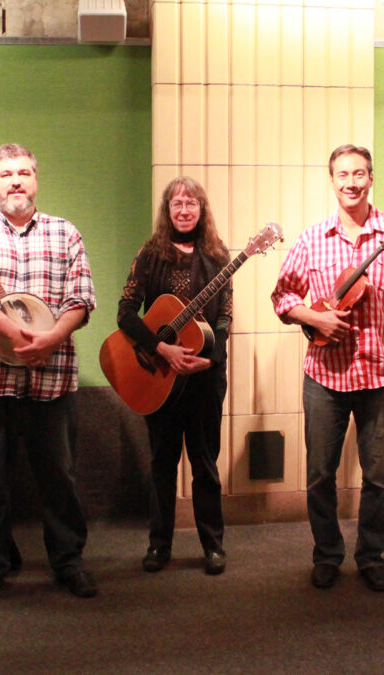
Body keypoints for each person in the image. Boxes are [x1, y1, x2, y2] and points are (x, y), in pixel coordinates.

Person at [271, 144, 384, 592]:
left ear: (371, 178)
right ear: (332, 180)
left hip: (379, 376)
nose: (351, 182)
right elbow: (282, 296)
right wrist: (312, 316)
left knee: (377, 475)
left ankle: (372, 556)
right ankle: (327, 554)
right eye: (342, 174)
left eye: (359, 173)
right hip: (325, 375)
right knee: (320, 472)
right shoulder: (313, 238)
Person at [0, 143, 98, 607]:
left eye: (24, 172)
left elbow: (81, 298)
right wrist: (19, 337)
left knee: (60, 479)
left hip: (51, 379)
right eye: (6, 174)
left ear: (36, 180)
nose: (16, 181)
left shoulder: (65, 234)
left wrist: (50, 340)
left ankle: (69, 562)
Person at [117, 176, 232, 575]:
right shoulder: (151, 255)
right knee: (161, 464)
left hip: (202, 382)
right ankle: (158, 545)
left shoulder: (219, 257)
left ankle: (213, 546)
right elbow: (126, 313)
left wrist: (211, 360)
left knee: (205, 466)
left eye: (191, 203)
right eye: (176, 204)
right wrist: (158, 347)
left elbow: (224, 320)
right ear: (167, 211)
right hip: (159, 377)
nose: (184, 210)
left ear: (202, 209)